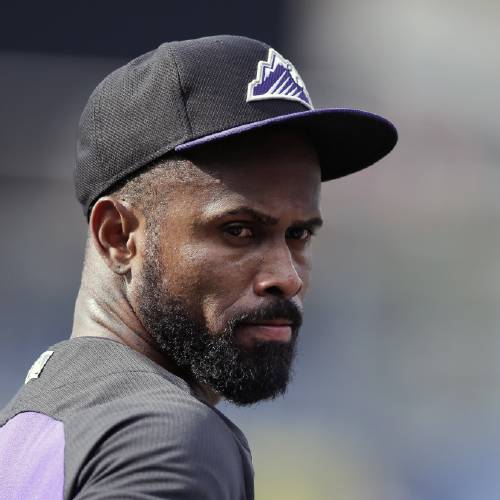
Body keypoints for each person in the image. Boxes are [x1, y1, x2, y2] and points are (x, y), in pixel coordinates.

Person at [0, 35, 397, 499]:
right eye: (238, 231)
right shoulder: (164, 438)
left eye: (298, 234)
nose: (286, 277)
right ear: (118, 236)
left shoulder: (36, 422)